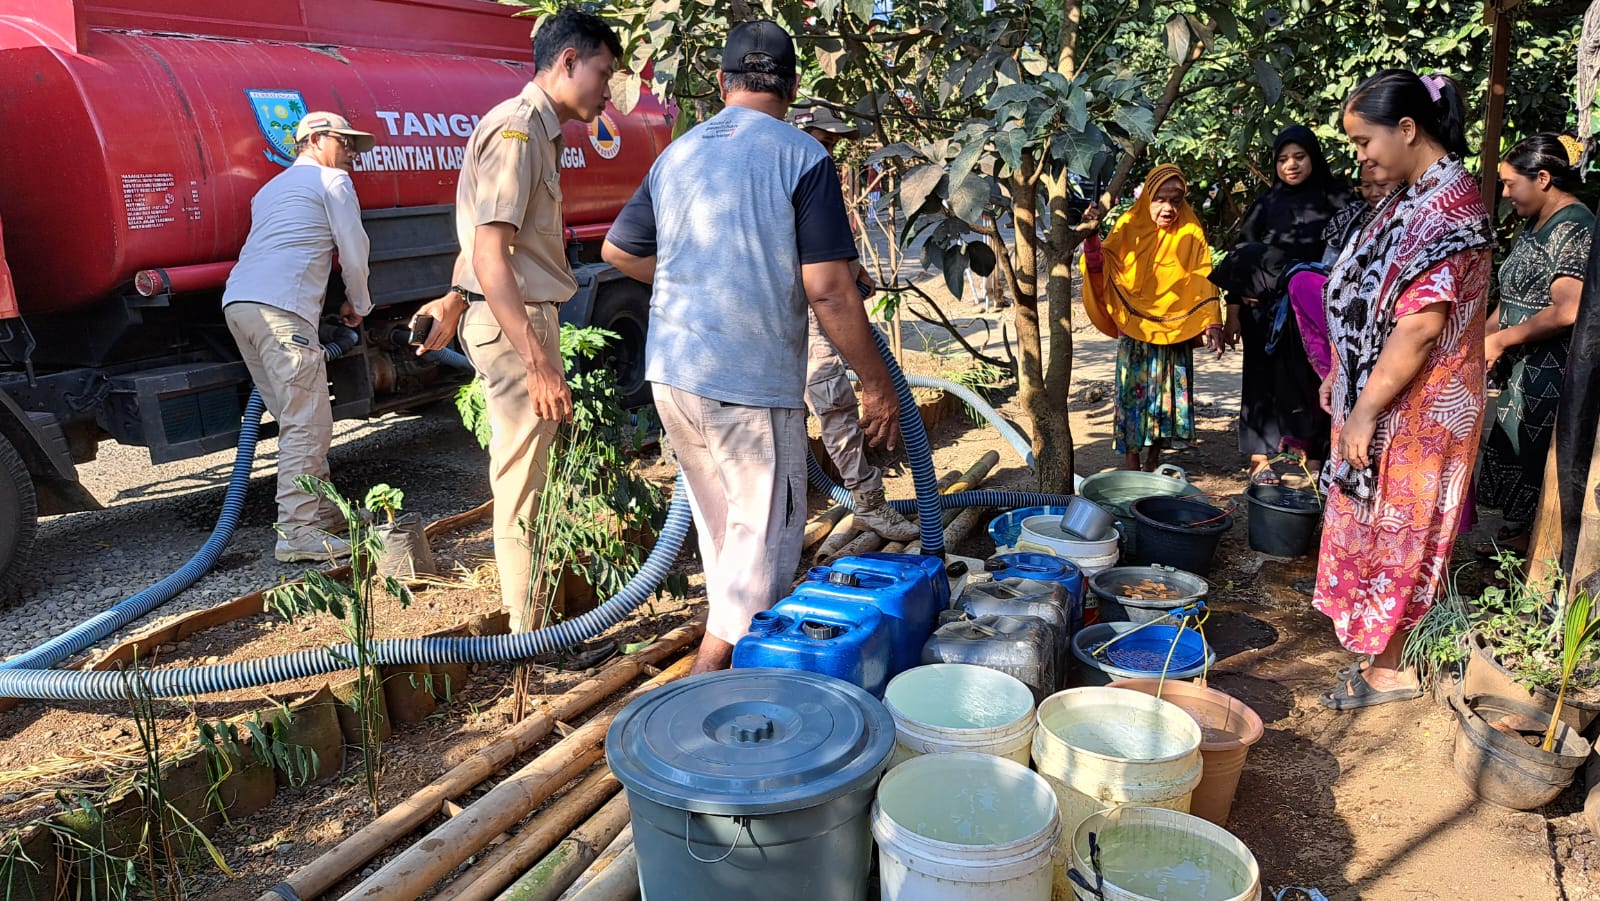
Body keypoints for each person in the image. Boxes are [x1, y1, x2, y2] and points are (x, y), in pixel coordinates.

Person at [602, 20, 902, 673]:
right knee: (763, 555)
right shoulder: (802, 156)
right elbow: (828, 288)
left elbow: (619, 249)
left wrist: (700, 277)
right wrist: (876, 385)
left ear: (721, 83)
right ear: (792, 88)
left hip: (675, 376)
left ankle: (720, 675)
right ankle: (720, 693)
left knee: (726, 539)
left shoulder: (675, 154)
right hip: (750, 382)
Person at [409, 8, 621, 631]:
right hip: (516, 325)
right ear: (567, 62)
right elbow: (490, 251)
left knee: (527, 480)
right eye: (603, 72)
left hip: (512, 316)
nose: (608, 90)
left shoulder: (532, 130)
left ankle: (534, 625)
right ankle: (531, 638)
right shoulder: (521, 130)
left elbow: (483, 237)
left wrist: (453, 297)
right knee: (521, 488)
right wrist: (537, 362)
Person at [1315, 70, 1494, 709]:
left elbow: (1418, 327)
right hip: (1390, 395)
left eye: (1365, 141)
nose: (1360, 155)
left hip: (1423, 405)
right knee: (1378, 520)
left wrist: (1363, 411)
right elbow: (1366, 295)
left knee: (1404, 527)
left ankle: (1391, 669)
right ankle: (1375, 650)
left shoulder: (1450, 207)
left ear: (1409, 129)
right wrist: (1344, 373)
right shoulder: (1410, 198)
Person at [222, 111, 376, 563]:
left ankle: (323, 511)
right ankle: (299, 532)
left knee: (299, 421)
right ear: (314, 139)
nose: (350, 153)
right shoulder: (333, 183)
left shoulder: (268, 190)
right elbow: (353, 252)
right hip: (283, 308)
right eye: (344, 142)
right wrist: (360, 304)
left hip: (240, 306)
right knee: (307, 423)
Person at [788, 104, 919, 542]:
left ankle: (864, 500)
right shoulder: (789, 167)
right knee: (829, 396)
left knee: (829, 400)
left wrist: (851, 266)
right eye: (824, 142)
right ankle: (866, 501)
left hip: (806, 300)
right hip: (796, 304)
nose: (829, 153)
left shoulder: (811, 171)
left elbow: (823, 243)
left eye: (832, 145)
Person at [1476, 134, 1595, 553]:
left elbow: (1566, 310)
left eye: (1511, 183)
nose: (1506, 193)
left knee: (1537, 456)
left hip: (1550, 371)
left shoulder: (1576, 226)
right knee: (1514, 447)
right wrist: (1484, 339)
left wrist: (1503, 340)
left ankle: (1531, 547)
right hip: (1521, 366)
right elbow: (1511, 295)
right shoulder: (1535, 222)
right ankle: (1517, 535)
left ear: (1543, 178)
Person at [1223, 126, 1353, 481]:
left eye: (1299, 157)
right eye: (1282, 159)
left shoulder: (1337, 200)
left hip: (1312, 310)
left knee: (1312, 379)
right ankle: (1259, 460)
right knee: (1260, 382)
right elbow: (1239, 258)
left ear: (1314, 157)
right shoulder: (1265, 204)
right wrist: (1233, 312)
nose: (1291, 165)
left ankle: (1311, 454)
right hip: (1262, 313)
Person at [1079, 165, 1225, 472]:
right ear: (1146, 196)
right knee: (1133, 396)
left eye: (1176, 199)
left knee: (1166, 397)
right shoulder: (1128, 225)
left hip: (1176, 331)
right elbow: (1100, 267)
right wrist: (1091, 236)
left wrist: (1213, 320)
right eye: (1160, 199)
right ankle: (1132, 461)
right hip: (1134, 330)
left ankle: (1155, 459)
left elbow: (1203, 277)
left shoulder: (1191, 230)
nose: (1168, 208)